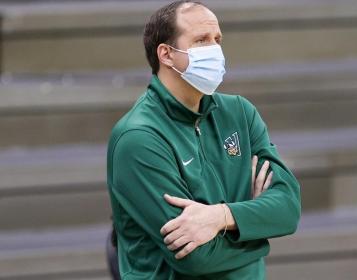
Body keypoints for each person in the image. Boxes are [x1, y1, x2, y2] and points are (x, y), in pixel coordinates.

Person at [106, 1, 301, 279]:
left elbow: (288, 209)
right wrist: (258, 228)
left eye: (217, 40)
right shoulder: (138, 137)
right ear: (167, 54)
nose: (215, 50)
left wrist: (221, 216)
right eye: (201, 40)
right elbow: (195, 257)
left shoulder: (240, 113)